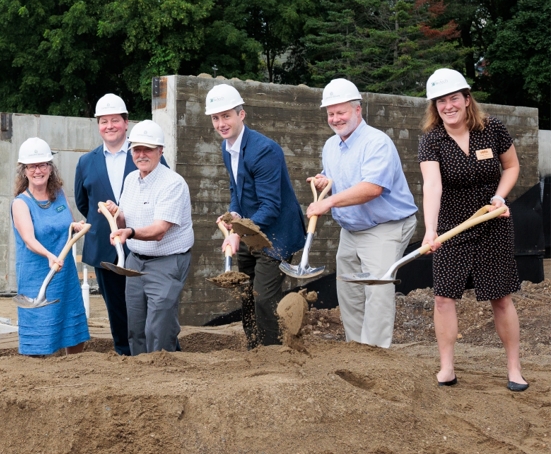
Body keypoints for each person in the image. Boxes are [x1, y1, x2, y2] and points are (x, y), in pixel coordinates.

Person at [418, 68, 527, 390]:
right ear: (434, 107)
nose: (448, 106)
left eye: (454, 98)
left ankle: (514, 368)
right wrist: (430, 230)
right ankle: (447, 368)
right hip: (451, 227)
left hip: (492, 222)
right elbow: (432, 187)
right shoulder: (432, 141)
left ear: (467, 100)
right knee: (443, 298)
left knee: (502, 297)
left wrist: (499, 196)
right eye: (441, 101)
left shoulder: (492, 129)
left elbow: (512, 166)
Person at [307, 79, 417, 348]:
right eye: (331, 113)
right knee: (349, 291)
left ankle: (375, 356)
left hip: (385, 226)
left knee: (377, 290)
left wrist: (329, 203)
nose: (335, 118)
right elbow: (337, 179)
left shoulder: (377, 142)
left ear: (358, 110)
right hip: (352, 229)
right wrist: (324, 182)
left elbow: (371, 188)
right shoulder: (331, 146)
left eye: (341, 112)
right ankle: (356, 350)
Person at [206, 84, 306, 348]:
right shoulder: (227, 148)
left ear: (242, 114)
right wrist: (233, 215)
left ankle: (274, 351)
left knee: (263, 297)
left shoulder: (264, 150)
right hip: (250, 230)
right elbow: (236, 189)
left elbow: (271, 206)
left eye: (226, 116)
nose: (221, 123)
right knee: (246, 293)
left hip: (277, 234)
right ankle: (255, 348)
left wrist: (237, 233)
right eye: (215, 118)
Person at [104, 121, 193, 355]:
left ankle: (164, 376)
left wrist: (130, 232)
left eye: (148, 149)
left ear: (160, 151)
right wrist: (118, 215)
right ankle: (140, 374)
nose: (141, 154)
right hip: (135, 261)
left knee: (159, 325)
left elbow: (159, 230)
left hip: (167, 261)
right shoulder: (132, 179)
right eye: (137, 149)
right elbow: (126, 220)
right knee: (135, 324)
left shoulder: (172, 183)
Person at [11, 137, 90, 356]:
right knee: (42, 338)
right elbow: (28, 239)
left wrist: (75, 226)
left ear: (50, 168)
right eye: (32, 166)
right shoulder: (20, 203)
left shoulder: (59, 195)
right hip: (37, 276)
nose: (38, 170)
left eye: (43, 165)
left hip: (64, 274)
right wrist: (48, 255)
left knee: (73, 333)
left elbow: (67, 223)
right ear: (24, 170)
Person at [73, 93, 136, 355]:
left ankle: (155, 350)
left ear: (126, 122)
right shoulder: (87, 162)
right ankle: (124, 351)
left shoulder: (143, 152)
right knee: (116, 307)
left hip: (140, 243)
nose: (109, 126)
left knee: (144, 303)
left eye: (115, 120)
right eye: (103, 121)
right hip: (104, 245)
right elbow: (83, 202)